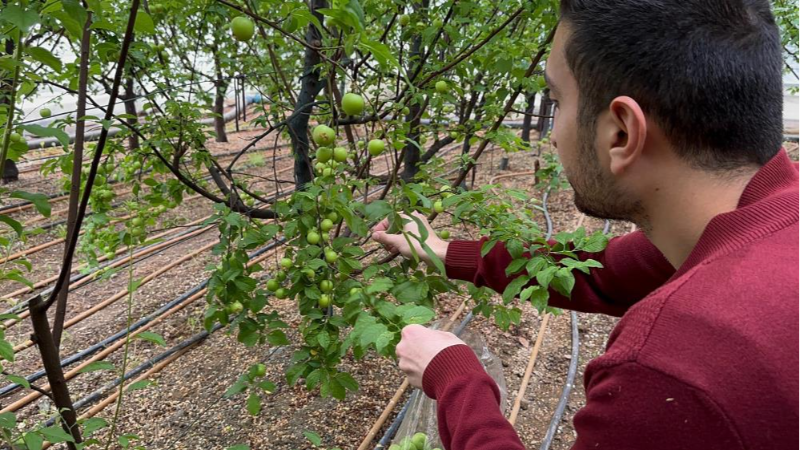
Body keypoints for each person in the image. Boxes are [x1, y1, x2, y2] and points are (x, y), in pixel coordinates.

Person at [371, 1, 800, 449]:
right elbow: (601, 271)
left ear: (620, 133)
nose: (552, 133)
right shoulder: (764, 220)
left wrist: (456, 377)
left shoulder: (674, 367)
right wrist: (442, 250)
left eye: (556, 101)